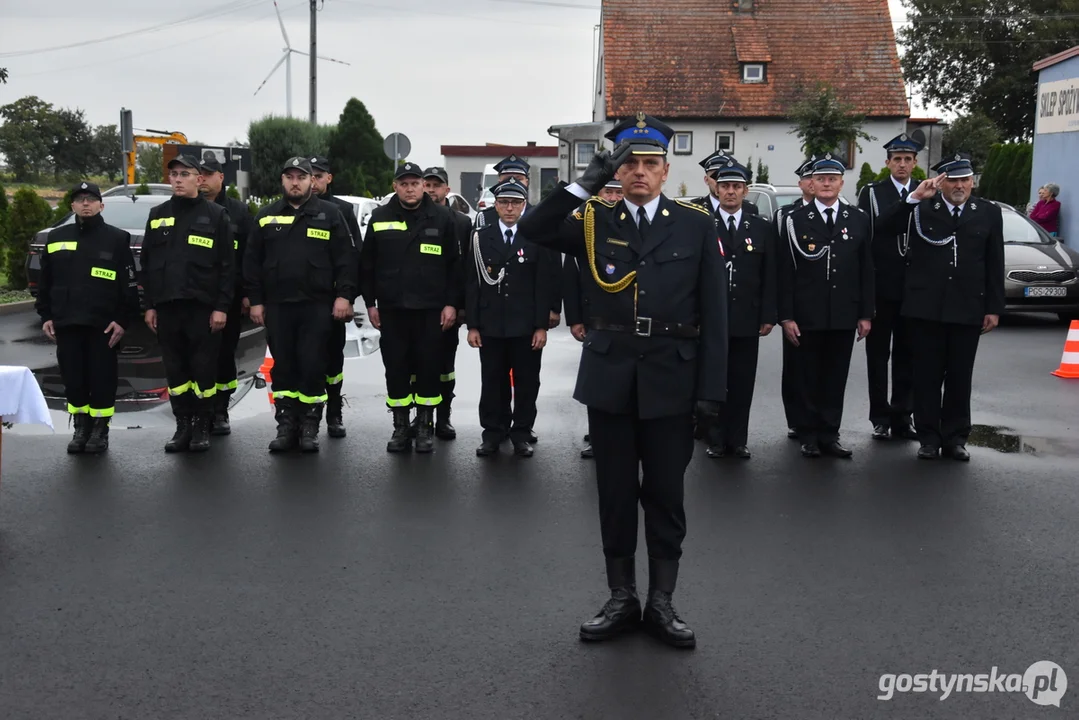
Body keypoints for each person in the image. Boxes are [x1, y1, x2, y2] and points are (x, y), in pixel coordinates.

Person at [518, 113, 729, 649]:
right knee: (614, 493)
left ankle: (661, 601)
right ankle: (621, 596)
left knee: (664, 492)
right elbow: (533, 228)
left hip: (671, 377)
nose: (639, 172)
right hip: (611, 375)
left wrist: (711, 391)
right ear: (618, 169)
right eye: (629, 163)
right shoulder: (595, 220)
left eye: (649, 164)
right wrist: (584, 183)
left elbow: (716, 315)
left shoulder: (696, 224)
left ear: (665, 170)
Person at [245, 157, 357, 453]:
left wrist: (344, 296)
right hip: (279, 307)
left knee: (312, 365)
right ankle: (286, 426)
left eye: (301, 177)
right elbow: (252, 262)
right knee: (283, 367)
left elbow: (345, 259)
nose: (295, 182)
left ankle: (309, 426)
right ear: (282, 181)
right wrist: (255, 301)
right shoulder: (267, 216)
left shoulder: (330, 214)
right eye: (289, 177)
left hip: (317, 306)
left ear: (311, 181)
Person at [900, 153, 1004, 461]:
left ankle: (956, 437)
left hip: (968, 306)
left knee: (960, 375)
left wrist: (994, 307)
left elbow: (994, 261)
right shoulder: (921, 208)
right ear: (941, 181)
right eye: (953, 180)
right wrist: (913, 197)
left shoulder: (987, 212)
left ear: (973, 182)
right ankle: (929, 437)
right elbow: (885, 227)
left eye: (965, 180)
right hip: (926, 307)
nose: (960, 185)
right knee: (927, 376)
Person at [778, 154, 874, 459]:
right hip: (807, 313)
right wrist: (786, 315)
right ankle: (808, 434)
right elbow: (784, 271)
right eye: (821, 179)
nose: (827, 184)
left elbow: (866, 269)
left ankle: (830, 434)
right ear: (812, 183)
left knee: (835, 377)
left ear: (841, 183)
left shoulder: (857, 219)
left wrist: (865, 313)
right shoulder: (794, 220)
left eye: (832, 179)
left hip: (844, 313)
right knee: (807, 377)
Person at [361, 162, 461, 454]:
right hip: (392, 309)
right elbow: (367, 265)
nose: (409, 188)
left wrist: (451, 304)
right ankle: (401, 427)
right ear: (395, 186)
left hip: (431, 310)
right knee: (396, 368)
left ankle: (425, 427)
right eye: (403, 183)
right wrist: (370, 304)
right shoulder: (380, 217)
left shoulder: (443, 218)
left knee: (430, 367)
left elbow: (454, 268)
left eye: (415, 183)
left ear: (422, 186)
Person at [36, 182, 139, 454]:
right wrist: (46, 314)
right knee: (74, 378)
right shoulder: (57, 237)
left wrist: (123, 320)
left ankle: (100, 430)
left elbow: (128, 283)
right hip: (66, 322)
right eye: (80, 200)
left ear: (101, 205)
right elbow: (46, 281)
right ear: (72, 206)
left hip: (102, 325)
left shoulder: (117, 238)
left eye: (91, 199)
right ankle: (80, 427)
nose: (85, 204)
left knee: (102, 378)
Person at [141, 155, 234, 453]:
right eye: (174, 174)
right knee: (176, 371)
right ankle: (183, 424)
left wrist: (221, 307)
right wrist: (150, 305)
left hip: (203, 309)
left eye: (185, 174)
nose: (178, 179)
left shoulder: (216, 215)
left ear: (199, 179)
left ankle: (202, 426)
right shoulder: (157, 214)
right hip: (168, 307)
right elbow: (147, 263)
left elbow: (227, 267)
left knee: (203, 369)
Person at [466, 178, 557, 457]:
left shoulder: (537, 236)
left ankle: (521, 433)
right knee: (493, 381)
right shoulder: (482, 237)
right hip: (492, 324)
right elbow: (472, 283)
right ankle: (493, 432)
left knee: (527, 382)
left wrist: (541, 326)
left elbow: (545, 283)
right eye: (504, 202)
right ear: (495, 205)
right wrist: (473, 325)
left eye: (515, 203)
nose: (509, 208)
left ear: (524, 205)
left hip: (525, 325)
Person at [700, 157, 777, 460]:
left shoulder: (760, 227)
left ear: (746, 191)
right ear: (716, 189)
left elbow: (769, 274)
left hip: (747, 316)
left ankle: (738, 439)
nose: (730, 192)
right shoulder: (703, 223)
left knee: (742, 382)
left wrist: (768, 314)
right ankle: (715, 439)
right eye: (725, 186)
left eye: (736, 186)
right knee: (715, 380)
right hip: (712, 317)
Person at [858, 133, 923, 441]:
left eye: (907, 159)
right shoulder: (872, 192)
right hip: (882, 286)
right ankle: (879, 416)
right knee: (878, 356)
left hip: (912, 289)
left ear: (914, 163)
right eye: (896, 159)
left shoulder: (926, 193)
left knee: (908, 355)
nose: (902, 164)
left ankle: (902, 415)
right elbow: (875, 229)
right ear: (887, 163)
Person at [566, 178, 624, 459]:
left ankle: (626, 437)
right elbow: (572, 276)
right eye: (608, 191)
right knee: (598, 383)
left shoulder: (637, 225)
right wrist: (576, 319)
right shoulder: (584, 225)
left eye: (618, 191)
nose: (613, 197)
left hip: (629, 320)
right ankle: (597, 435)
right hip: (596, 319)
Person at [197, 158, 254, 436]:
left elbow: (248, 256)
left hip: (228, 298)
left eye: (208, 174)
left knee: (223, 355)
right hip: (196, 297)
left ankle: (220, 410)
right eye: (200, 174)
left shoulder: (239, 212)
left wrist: (247, 294)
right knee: (195, 355)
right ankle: (198, 410)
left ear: (221, 177)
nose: (203, 179)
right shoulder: (188, 211)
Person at [309, 156, 363, 440]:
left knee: (332, 360)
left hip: (332, 301)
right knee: (307, 359)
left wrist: (348, 295)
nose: (314, 181)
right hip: (303, 300)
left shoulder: (342, 210)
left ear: (329, 178)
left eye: (319, 175)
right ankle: (308, 416)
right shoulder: (294, 208)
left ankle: (334, 411)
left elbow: (352, 255)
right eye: (310, 175)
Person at [422, 166, 473, 440]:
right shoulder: (415, 218)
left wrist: (462, 306)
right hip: (419, 307)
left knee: (444, 367)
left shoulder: (462, 223)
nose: (431, 190)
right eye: (427, 184)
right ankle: (422, 419)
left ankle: (443, 417)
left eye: (436, 185)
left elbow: (465, 268)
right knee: (418, 366)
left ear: (447, 189)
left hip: (448, 308)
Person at [777, 157, 816, 440]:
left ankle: (819, 421)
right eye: (809, 178)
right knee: (795, 367)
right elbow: (782, 260)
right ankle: (796, 419)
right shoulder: (786, 215)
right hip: (797, 301)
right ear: (801, 183)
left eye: (820, 177)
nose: (815, 182)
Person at [691, 150, 759, 217]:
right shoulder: (694, 209)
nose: (719, 181)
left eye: (724, 176)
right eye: (714, 176)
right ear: (706, 180)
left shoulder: (749, 209)